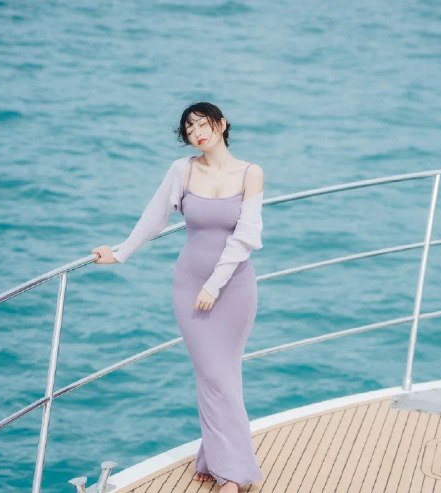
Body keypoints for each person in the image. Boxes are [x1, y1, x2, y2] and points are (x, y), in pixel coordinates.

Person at [91, 101, 265, 492]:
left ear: (222, 124)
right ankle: (234, 473)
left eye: (203, 124)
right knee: (213, 374)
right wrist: (120, 252)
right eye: (189, 129)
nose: (197, 133)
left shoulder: (250, 173)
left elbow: (246, 237)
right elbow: (154, 218)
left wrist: (214, 285)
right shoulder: (182, 170)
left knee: (222, 376)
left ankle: (216, 460)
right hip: (189, 287)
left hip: (233, 288)